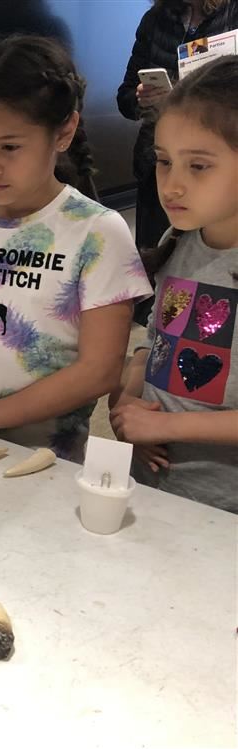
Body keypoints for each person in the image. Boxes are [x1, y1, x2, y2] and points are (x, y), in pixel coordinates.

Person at [0, 35, 153, 462]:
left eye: (9, 147)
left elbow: (99, 371)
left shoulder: (99, 232)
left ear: (64, 132)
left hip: (41, 459)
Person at [109, 57, 238, 512]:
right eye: (164, 162)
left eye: (198, 167)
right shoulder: (177, 240)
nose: (172, 186)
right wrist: (128, 404)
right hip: (155, 492)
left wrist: (165, 429)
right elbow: (159, 343)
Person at [117, 0, 237, 322]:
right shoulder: (157, 18)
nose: (174, 185)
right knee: (159, 270)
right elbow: (125, 98)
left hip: (217, 148)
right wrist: (142, 98)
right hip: (161, 146)